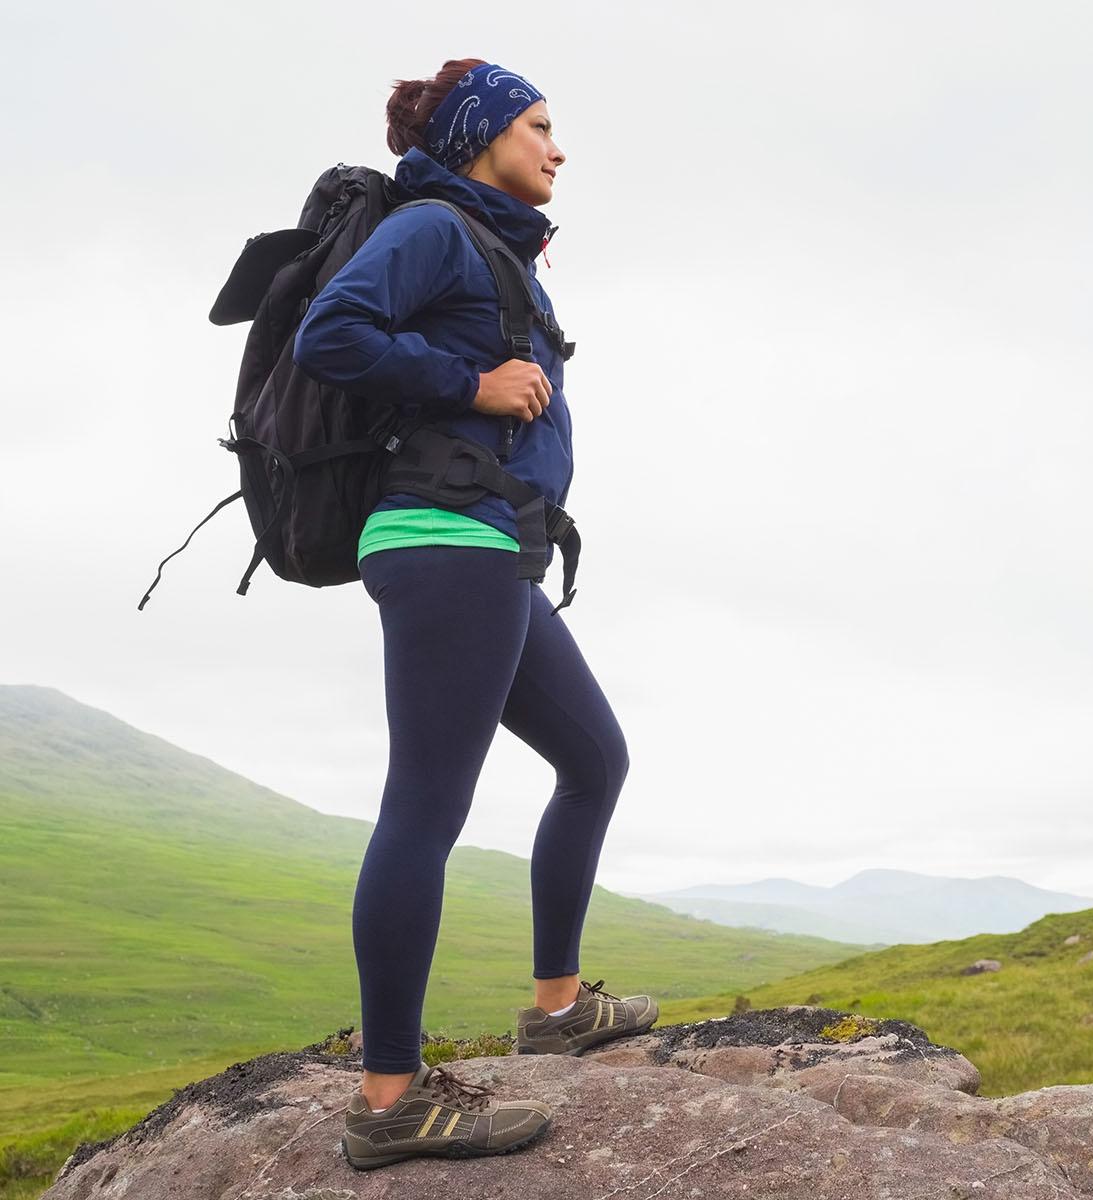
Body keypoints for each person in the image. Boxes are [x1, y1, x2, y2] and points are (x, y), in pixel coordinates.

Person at [291, 58, 658, 1171]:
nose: (557, 147)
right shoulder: (436, 227)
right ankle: (390, 1103)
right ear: (479, 133)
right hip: (447, 543)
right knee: (426, 810)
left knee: (596, 758)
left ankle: (555, 1008)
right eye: (539, 126)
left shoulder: (487, 243)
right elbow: (329, 331)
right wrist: (470, 386)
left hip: (493, 547)